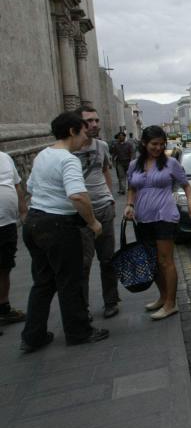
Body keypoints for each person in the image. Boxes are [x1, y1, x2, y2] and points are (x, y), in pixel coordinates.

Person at [20, 112, 109, 352]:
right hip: (58, 226)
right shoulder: (68, 160)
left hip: (34, 222)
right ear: (72, 131)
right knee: (70, 280)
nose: (85, 137)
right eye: (83, 131)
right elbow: (78, 195)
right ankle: (79, 331)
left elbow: (31, 187)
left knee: (43, 281)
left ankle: (33, 336)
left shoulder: (43, 155)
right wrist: (93, 222)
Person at [124, 126, 191, 320]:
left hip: (165, 215)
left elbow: (186, 185)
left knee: (165, 261)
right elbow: (132, 188)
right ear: (144, 143)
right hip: (142, 218)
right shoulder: (134, 165)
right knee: (152, 261)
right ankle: (163, 297)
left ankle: (170, 304)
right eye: (154, 144)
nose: (158, 148)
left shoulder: (170, 163)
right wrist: (129, 205)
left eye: (161, 144)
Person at [73, 106, 120, 319]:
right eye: (89, 121)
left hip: (104, 209)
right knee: (82, 264)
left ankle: (111, 301)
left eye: (96, 120)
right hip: (80, 214)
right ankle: (82, 309)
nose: (94, 124)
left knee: (108, 259)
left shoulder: (101, 146)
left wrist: (110, 197)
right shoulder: (68, 150)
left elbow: (105, 171)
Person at [0, 151, 28, 335]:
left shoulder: (5, 157)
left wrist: (23, 211)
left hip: (7, 223)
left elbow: (16, 186)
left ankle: (3, 309)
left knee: (5, 266)